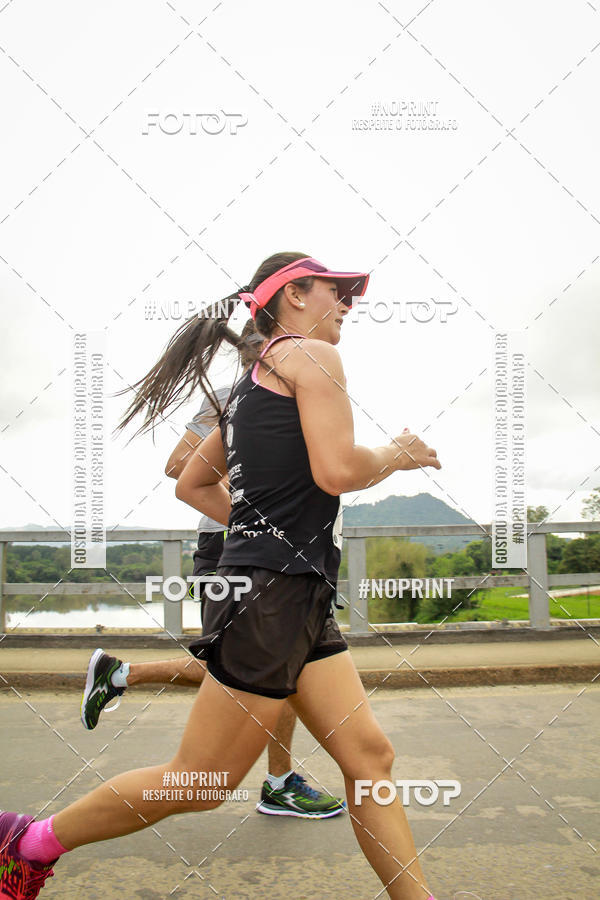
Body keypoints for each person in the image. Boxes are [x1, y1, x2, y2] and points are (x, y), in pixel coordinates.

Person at [0, 251, 441, 899]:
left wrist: (262, 529)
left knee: (369, 759)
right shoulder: (313, 357)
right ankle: (27, 844)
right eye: (337, 289)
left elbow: (192, 483)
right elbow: (339, 471)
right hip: (272, 598)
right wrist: (397, 454)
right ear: (293, 294)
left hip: (294, 596)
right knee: (201, 781)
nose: (349, 302)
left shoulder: (252, 383)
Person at [80, 334, 345, 819]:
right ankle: (279, 782)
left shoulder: (311, 394)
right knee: (258, 671)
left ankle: (121, 675)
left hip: (296, 559)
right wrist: (255, 509)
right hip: (236, 547)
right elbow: (178, 466)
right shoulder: (231, 397)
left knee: (270, 669)